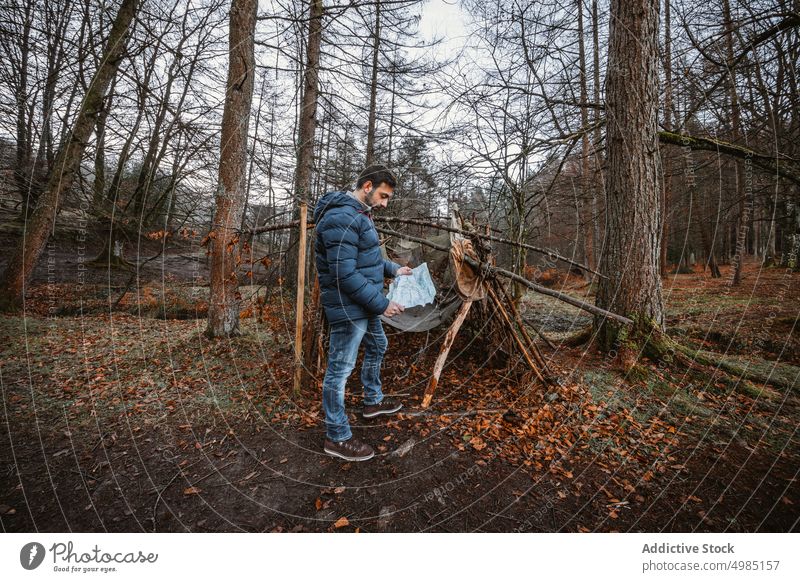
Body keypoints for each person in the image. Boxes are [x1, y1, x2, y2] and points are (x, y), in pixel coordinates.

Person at [313, 164, 413, 461]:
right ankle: (337, 437)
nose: (384, 204)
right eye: (383, 196)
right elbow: (345, 274)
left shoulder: (360, 214)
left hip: (364, 302)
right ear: (367, 186)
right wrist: (383, 304)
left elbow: (369, 261)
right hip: (349, 306)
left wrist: (395, 268)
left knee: (378, 345)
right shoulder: (341, 217)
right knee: (339, 371)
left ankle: (372, 401)